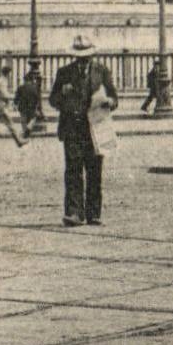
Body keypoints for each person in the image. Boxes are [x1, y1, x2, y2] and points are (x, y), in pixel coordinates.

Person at [48, 35, 118, 227]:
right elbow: (52, 100)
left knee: (95, 171)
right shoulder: (64, 73)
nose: (82, 61)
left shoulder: (102, 72)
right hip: (72, 128)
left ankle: (93, 213)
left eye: (86, 57)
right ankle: (74, 213)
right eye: (79, 57)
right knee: (73, 171)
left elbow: (114, 98)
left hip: (96, 128)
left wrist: (109, 102)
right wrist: (62, 93)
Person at [0, 63, 24, 150]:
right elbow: (4, 94)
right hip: (1, 107)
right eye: (10, 74)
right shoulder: (3, 81)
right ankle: (19, 141)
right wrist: (13, 97)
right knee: (10, 124)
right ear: (8, 73)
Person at [13, 68, 42, 140]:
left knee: (23, 120)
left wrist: (15, 104)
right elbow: (37, 98)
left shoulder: (20, 87)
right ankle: (29, 127)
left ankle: (24, 131)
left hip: (22, 107)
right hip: (31, 106)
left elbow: (17, 97)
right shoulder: (34, 88)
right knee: (33, 118)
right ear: (32, 80)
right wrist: (37, 107)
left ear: (24, 80)